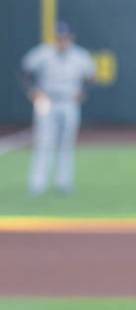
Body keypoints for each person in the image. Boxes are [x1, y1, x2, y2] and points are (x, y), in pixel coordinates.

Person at [19, 21, 96, 195]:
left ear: (70, 37)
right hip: (47, 101)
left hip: (69, 101)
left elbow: (91, 77)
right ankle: (37, 184)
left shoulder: (80, 55)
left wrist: (83, 92)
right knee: (44, 142)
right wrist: (33, 91)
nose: (62, 40)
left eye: (65, 37)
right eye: (59, 37)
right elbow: (25, 71)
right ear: (54, 37)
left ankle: (63, 183)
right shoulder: (43, 53)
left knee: (66, 143)